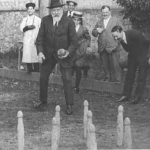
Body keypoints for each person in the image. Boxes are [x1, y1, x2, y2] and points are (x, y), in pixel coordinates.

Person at [35, 0, 78, 115]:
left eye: (58, 10)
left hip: (64, 56)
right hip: (49, 54)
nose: (56, 12)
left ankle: (69, 104)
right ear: (51, 11)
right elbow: (39, 39)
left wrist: (68, 52)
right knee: (43, 78)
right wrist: (40, 52)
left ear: (62, 9)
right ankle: (43, 101)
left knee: (67, 79)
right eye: (54, 10)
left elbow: (74, 41)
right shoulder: (45, 20)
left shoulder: (69, 22)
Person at [111, 25, 150, 104]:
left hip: (143, 55)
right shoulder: (121, 40)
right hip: (133, 56)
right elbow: (128, 49)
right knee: (129, 75)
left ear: (120, 31)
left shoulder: (134, 34)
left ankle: (137, 97)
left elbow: (147, 43)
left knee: (141, 76)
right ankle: (126, 95)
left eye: (116, 36)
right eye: (114, 37)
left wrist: (149, 56)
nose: (115, 38)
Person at [92, 5, 123, 82]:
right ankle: (107, 78)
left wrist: (117, 43)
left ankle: (117, 80)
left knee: (115, 65)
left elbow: (122, 33)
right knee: (105, 65)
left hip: (113, 47)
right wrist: (96, 31)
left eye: (106, 12)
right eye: (103, 12)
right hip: (103, 47)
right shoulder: (99, 21)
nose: (105, 14)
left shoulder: (116, 21)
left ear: (110, 12)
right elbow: (93, 32)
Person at [72, 11, 91, 94]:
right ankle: (85, 68)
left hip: (81, 50)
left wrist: (86, 45)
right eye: (74, 19)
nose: (75, 21)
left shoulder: (83, 29)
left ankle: (77, 87)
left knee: (77, 66)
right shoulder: (70, 28)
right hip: (72, 50)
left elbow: (88, 38)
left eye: (77, 20)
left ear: (80, 21)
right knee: (72, 66)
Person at [20, 2, 41, 73]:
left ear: (34, 10)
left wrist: (39, 39)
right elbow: (22, 28)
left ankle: (36, 71)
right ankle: (29, 70)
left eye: (31, 9)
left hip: (35, 40)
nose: (30, 11)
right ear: (27, 10)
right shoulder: (25, 19)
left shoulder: (38, 19)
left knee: (35, 56)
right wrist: (27, 27)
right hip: (27, 40)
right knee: (27, 55)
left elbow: (41, 30)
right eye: (28, 9)